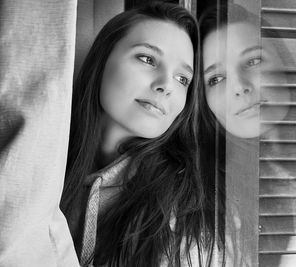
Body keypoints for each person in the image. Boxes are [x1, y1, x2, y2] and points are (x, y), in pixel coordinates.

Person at [60, 3, 216, 266]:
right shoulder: (44, 170)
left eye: (182, 79)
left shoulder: (183, 211)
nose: (166, 85)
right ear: (102, 59)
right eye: (147, 59)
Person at [199, 4, 296, 267]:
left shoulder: (285, 183)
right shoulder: (196, 203)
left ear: (286, 65)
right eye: (215, 78)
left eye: (253, 61)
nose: (240, 87)